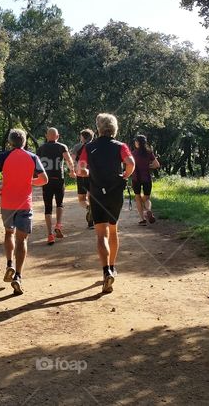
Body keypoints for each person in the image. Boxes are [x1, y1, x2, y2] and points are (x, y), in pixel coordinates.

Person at [76, 114, 135, 294]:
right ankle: (113, 266)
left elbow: (80, 169)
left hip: (96, 192)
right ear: (114, 128)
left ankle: (105, 271)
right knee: (113, 229)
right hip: (115, 192)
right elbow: (130, 163)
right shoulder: (121, 146)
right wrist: (125, 175)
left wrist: (88, 173)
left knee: (101, 233)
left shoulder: (89, 147)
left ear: (98, 128)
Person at [0, 129, 48, 295]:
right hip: (24, 203)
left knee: (9, 233)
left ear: (10, 142)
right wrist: (30, 181)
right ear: (25, 141)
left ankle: (9, 265)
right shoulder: (32, 157)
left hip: (7, 201)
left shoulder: (3, 156)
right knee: (22, 240)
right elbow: (44, 180)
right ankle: (18, 277)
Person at [36, 127, 76, 245]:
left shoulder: (41, 148)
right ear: (57, 136)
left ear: (46, 136)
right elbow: (69, 160)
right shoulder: (62, 146)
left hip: (46, 181)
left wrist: (36, 177)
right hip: (59, 179)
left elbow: (36, 164)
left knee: (48, 207)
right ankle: (58, 224)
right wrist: (72, 171)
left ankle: (49, 235)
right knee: (60, 203)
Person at [132, 134, 161, 225]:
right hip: (147, 178)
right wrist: (148, 166)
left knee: (137, 197)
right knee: (147, 198)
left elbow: (130, 165)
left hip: (136, 178)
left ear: (138, 143)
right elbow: (157, 165)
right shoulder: (149, 153)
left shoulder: (133, 153)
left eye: (135, 141)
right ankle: (148, 210)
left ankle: (142, 219)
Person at [70, 129, 95, 229]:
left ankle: (89, 208)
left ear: (83, 137)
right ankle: (91, 220)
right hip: (93, 174)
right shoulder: (95, 146)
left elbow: (72, 160)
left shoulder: (77, 147)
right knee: (92, 196)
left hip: (82, 174)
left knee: (81, 199)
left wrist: (73, 170)